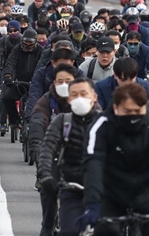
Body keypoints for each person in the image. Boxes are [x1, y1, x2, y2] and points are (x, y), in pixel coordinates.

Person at [77, 82, 149, 236]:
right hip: (111, 196)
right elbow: (93, 163)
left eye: (138, 111)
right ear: (115, 108)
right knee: (106, 231)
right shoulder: (102, 125)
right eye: (127, 111)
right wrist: (92, 203)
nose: (133, 115)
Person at [37, 77, 99, 236]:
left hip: (101, 190)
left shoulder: (105, 122)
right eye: (75, 95)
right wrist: (45, 174)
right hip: (71, 188)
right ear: (69, 99)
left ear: (94, 97)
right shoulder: (62, 121)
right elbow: (47, 148)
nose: (79, 98)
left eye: (84, 94)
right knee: (69, 231)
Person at [29, 63, 76, 236]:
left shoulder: (86, 101)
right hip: (54, 155)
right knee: (48, 188)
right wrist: (36, 144)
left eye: (68, 81)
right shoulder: (47, 100)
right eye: (60, 81)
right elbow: (38, 121)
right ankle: (47, 226)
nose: (64, 85)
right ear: (54, 83)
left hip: (80, 160)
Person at [1, 29, 43, 131]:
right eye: (26, 41)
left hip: (35, 84)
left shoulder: (41, 51)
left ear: (35, 41)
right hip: (18, 83)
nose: (28, 44)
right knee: (6, 98)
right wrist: (8, 76)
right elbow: (10, 63)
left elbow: (42, 65)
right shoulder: (17, 50)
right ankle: (15, 121)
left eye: (30, 42)